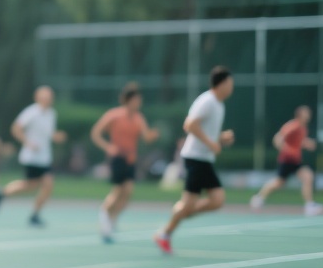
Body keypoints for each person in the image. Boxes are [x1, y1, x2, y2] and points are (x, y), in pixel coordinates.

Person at [154, 66, 235, 254]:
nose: (231, 88)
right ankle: (166, 231)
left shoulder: (218, 104)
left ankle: (180, 213)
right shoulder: (207, 101)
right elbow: (189, 125)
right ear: (221, 84)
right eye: (230, 84)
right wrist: (211, 144)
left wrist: (221, 138)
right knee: (193, 204)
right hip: (195, 158)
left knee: (217, 200)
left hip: (204, 159)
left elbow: (206, 132)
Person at [89, 83, 160, 242]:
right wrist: (108, 147)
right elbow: (96, 133)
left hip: (131, 159)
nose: (138, 103)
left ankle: (111, 220)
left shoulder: (139, 118)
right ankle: (105, 217)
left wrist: (152, 135)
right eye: (135, 99)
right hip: (117, 158)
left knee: (128, 192)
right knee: (118, 191)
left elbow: (146, 137)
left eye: (139, 99)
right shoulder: (114, 115)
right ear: (127, 100)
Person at [0, 86, 67, 226]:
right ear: (38, 98)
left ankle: (3, 195)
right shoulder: (31, 112)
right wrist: (28, 142)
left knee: (34, 185)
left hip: (44, 157)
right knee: (39, 184)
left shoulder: (51, 113)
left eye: (50, 97)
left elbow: (49, 133)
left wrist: (56, 137)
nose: (48, 99)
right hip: (32, 157)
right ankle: (30, 212)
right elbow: (16, 128)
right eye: (45, 97)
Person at [250, 106, 323, 216]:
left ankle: (309, 205)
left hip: (296, 160)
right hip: (287, 159)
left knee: (307, 176)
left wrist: (307, 143)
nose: (308, 115)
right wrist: (285, 149)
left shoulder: (303, 128)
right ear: (299, 115)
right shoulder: (293, 125)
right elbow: (278, 138)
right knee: (279, 182)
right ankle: (258, 198)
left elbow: (298, 141)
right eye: (306, 113)